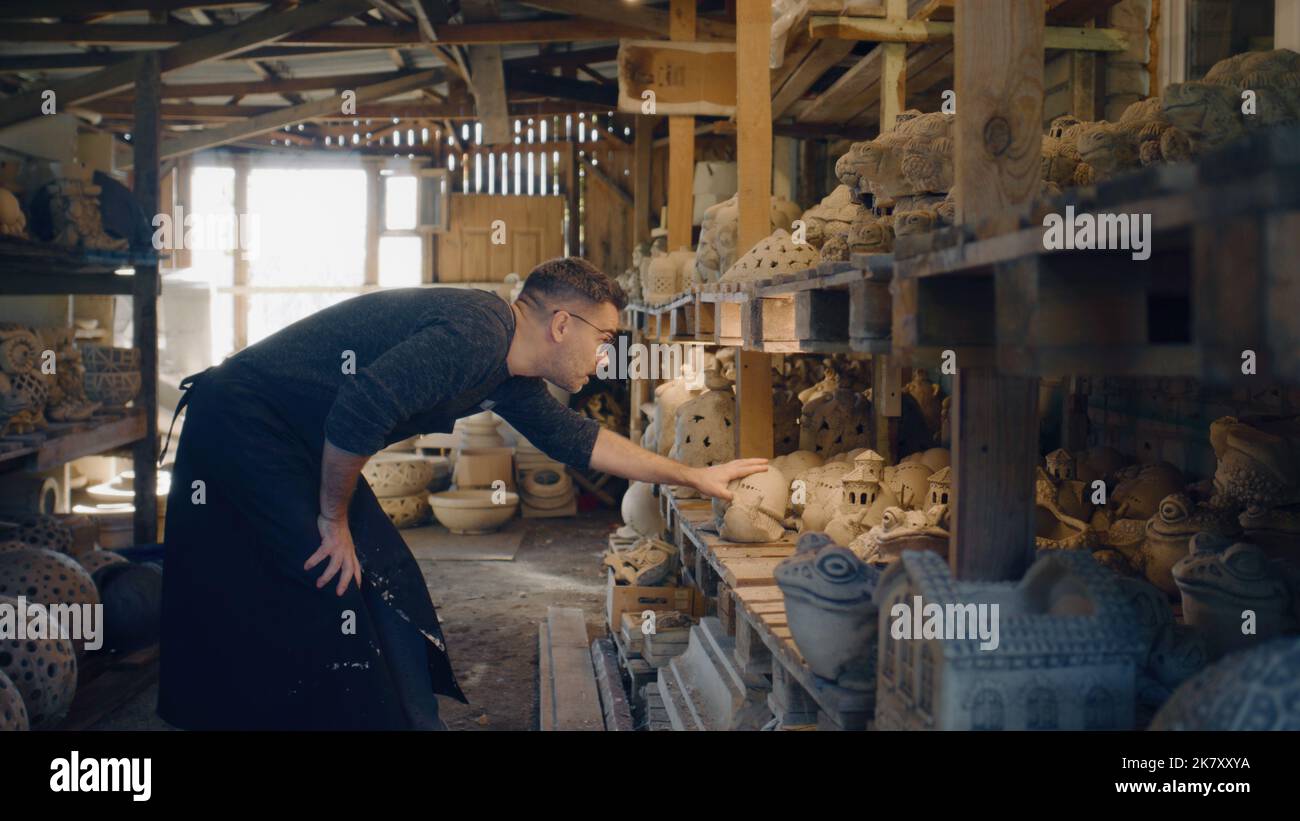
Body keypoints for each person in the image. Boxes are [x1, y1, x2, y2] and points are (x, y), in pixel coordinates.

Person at [157, 257, 767, 730]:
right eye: (605, 338)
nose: (607, 355)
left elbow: (579, 442)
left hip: (299, 436)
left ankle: (408, 721)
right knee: (324, 574)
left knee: (383, 571)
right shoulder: (475, 334)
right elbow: (360, 408)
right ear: (561, 324)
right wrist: (331, 515)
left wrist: (692, 477)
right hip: (245, 423)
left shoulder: (506, 370)